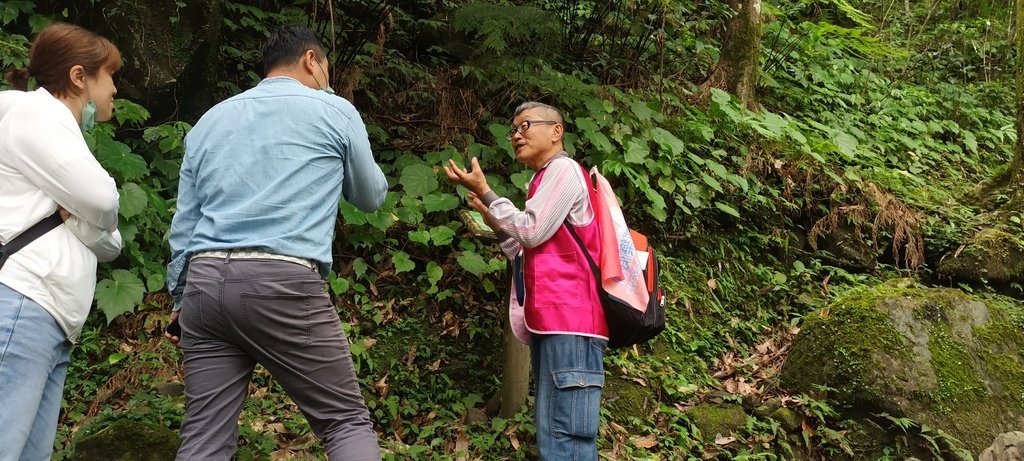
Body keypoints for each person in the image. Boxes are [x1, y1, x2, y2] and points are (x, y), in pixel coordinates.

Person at [165, 25, 387, 460]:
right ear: (311, 60)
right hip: (282, 281)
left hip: (205, 286)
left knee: (204, 436)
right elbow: (370, 196)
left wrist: (179, 297)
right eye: (327, 68)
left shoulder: (211, 119)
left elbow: (185, 221)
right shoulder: (334, 110)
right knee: (344, 421)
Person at [444, 101, 607, 460]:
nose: (516, 135)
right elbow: (524, 249)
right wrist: (492, 212)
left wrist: (489, 193)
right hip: (554, 322)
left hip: (572, 323)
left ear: (556, 131)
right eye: (513, 129)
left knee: (566, 436)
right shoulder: (543, 179)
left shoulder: (563, 170)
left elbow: (530, 230)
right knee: (553, 431)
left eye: (525, 125)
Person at [0, 22, 123, 460]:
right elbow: (104, 199)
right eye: (109, 76)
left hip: (50, 318)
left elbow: (113, 244)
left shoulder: (64, 137)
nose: (114, 90)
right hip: (23, 304)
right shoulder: (37, 116)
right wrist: (93, 215)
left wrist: (80, 220)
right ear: (78, 77)